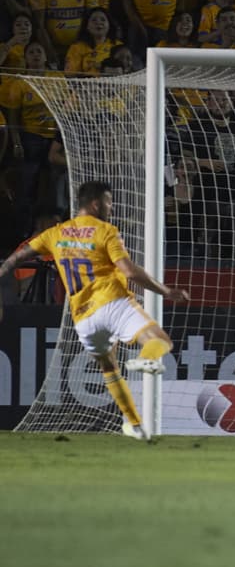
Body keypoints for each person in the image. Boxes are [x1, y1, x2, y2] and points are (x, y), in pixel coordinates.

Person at [0, 181, 191, 441]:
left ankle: (134, 424)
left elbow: (20, 256)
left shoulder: (56, 233)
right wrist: (166, 291)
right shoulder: (105, 231)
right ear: (95, 204)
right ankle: (146, 358)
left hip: (84, 319)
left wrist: (2, 271)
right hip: (111, 301)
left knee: (110, 369)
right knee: (160, 341)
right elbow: (130, 271)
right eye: (109, 201)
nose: (111, 207)